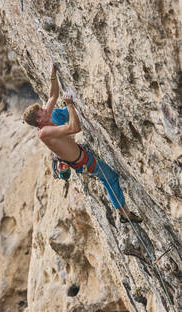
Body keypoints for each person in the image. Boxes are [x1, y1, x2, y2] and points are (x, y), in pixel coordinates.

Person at [22, 64, 142, 223]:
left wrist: (53, 74)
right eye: (42, 112)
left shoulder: (45, 119)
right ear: (39, 120)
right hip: (84, 162)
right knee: (110, 178)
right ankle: (124, 214)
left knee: (56, 113)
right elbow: (75, 128)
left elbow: (52, 96)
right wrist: (70, 105)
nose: (45, 110)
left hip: (78, 151)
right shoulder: (44, 133)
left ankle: (73, 112)